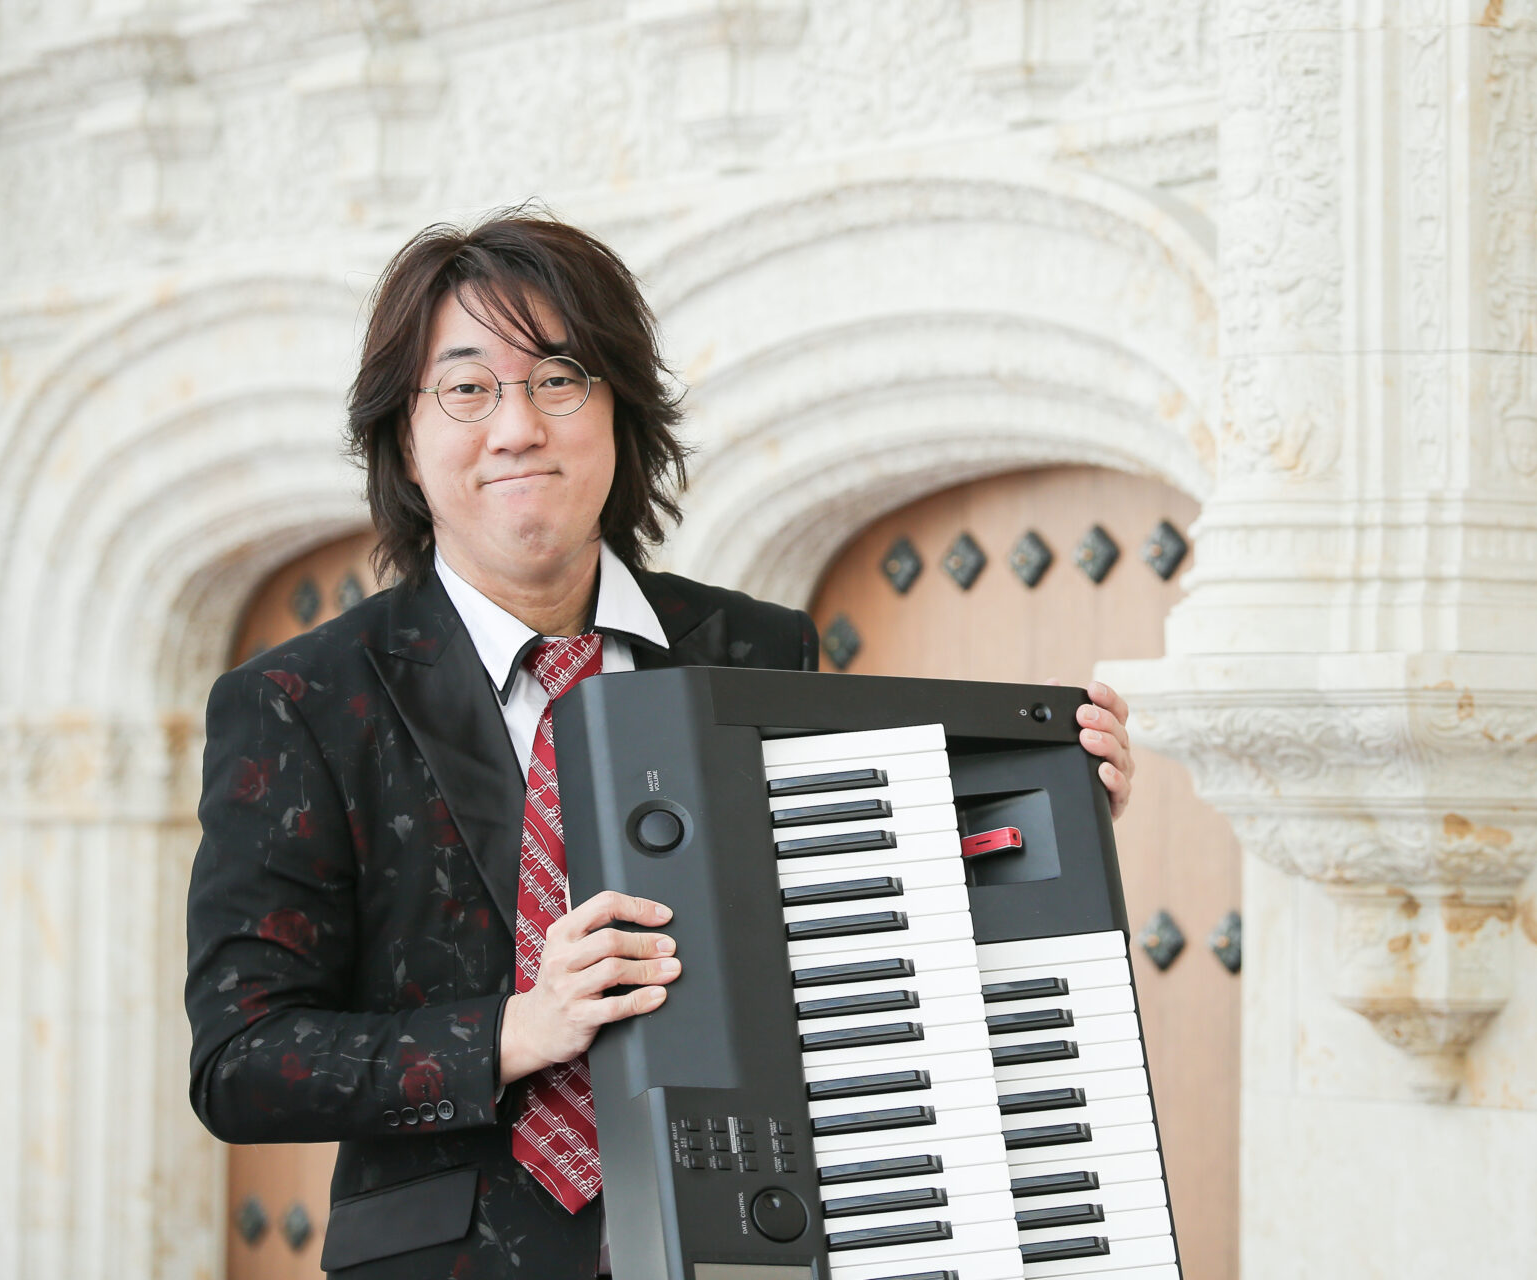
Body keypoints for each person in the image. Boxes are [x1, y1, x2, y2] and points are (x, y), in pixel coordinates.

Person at [184, 209, 1137, 1278]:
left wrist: (1043, 805)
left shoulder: (755, 649)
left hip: (753, 1242)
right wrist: (516, 1028)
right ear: (403, 437)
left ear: (620, 410)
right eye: (467, 388)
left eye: (558, 378)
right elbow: (240, 1061)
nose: (516, 426)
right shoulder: (301, 699)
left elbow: (852, 912)